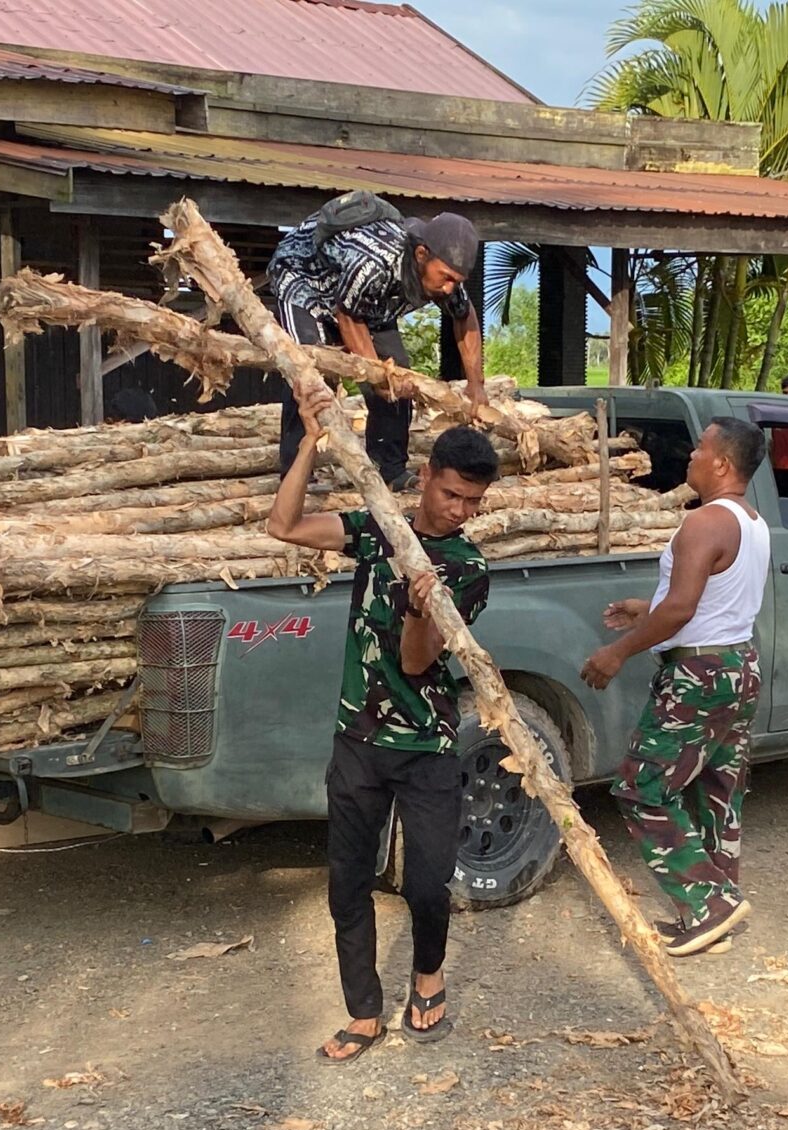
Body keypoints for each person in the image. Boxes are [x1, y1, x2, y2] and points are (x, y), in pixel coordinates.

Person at [266, 406, 500, 1062]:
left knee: (426, 884)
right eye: (451, 493)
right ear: (425, 477)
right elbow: (281, 525)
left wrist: (425, 606)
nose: (460, 510)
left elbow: (417, 662)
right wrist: (312, 446)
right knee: (347, 882)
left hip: (426, 745)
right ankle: (364, 1013)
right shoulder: (376, 530)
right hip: (358, 743)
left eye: (473, 501)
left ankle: (429, 976)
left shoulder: (468, 569)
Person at [581, 417, 771, 958]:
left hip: (699, 676)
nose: (690, 454)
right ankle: (715, 913)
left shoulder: (704, 523)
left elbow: (686, 608)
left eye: (700, 447)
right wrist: (648, 610)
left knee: (641, 788)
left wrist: (617, 652)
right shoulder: (750, 521)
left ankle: (707, 902)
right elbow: (711, 602)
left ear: (722, 464)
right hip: (737, 665)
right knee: (716, 792)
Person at [264, 193, 487, 486]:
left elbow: (464, 318)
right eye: (445, 277)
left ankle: (390, 469)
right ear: (421, 254)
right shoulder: (376, 261)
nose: (449, 288)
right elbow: (348, 317)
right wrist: (377, 376)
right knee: (310, 375)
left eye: (456, 281)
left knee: (399, 374)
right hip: (305, 284)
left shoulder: (446, 277)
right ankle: (296, 472)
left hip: (364, 302)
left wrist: (476, 385)